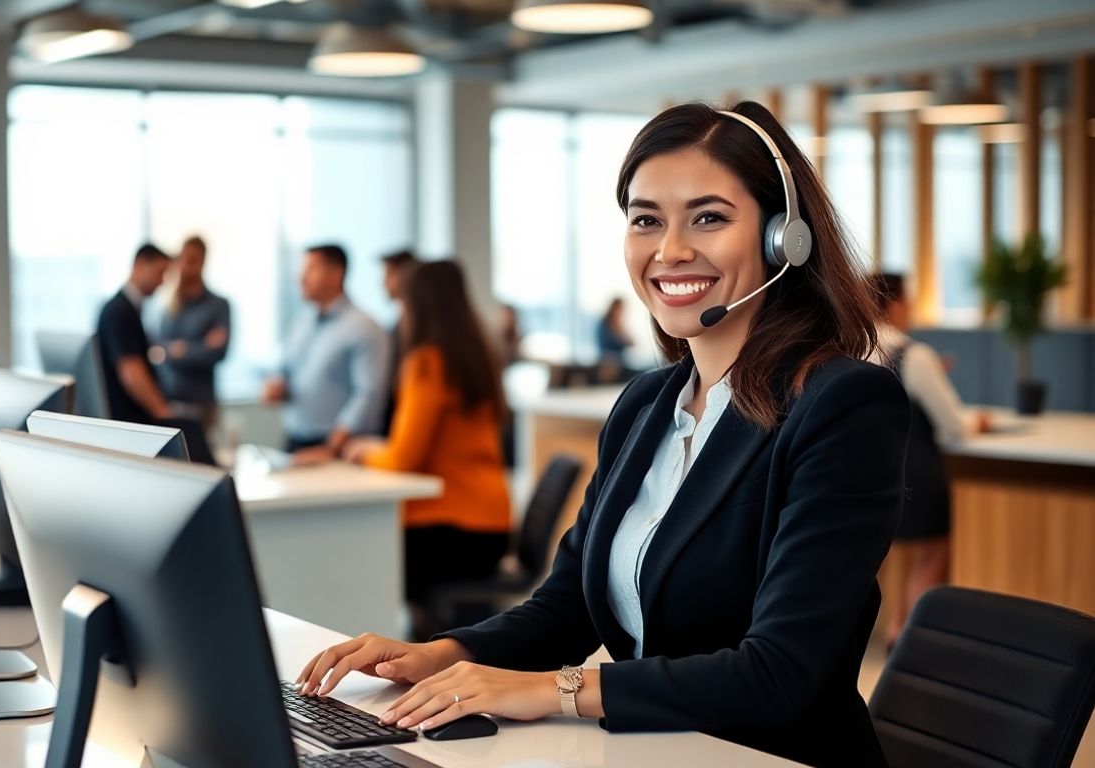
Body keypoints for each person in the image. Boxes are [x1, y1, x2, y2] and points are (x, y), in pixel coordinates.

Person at [296, 102, 909, 768]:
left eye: (709, 217)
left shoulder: (841, 404)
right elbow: (567, 609)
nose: (670, 250)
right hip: (654, 752)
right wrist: (443, 654)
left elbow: (779, 673)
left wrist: (555, 691)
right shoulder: (647, 405)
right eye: (647, 220)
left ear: (781, 237)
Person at [343, 260, 512, 614]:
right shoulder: (475, 354)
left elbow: (404, 458)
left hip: (452, 530)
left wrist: (361, 452)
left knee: (357, 550)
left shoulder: (428, 362)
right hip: (489, 525)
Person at [871, 272, 985, 652]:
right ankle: (905, 639)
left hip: (864, 475)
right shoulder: (913, 355)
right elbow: (954, 426)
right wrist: (977, 422)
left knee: (869, 555)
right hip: (915, 472)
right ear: (895, 304)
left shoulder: (844, 347)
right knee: (930, 553)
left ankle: (865, 635)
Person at [262, 244, 389, 464]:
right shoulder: (301, 321)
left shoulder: (364, 327)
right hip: (296, 439)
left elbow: (369, 394)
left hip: (338, 446)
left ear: (336, 275)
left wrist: (333, 445)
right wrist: (277, 384)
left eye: (311, 269)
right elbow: (285, 368)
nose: (301, 278)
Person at [153, 235, 231, 431]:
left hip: (201, 404)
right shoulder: (170, 307)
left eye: (193, 260)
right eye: (184, 259)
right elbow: (157, 350)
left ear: (203, 262)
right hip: (169, 400)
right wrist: (197, 347)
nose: (187, 266)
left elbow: (217, 352)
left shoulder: (217, 306)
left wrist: (181, 350)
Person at [97, 244, 175, 425]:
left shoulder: (128, 308)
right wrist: (162, 412)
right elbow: (131, 372)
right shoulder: (120, 311)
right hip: (127, 420)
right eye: (160, 272)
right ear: (140, 264)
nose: (162, 281)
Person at [379, 249, 419, 436]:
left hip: (409, 414)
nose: (383, 283)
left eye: (389, 275)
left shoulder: (419, 328)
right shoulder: (398, 324)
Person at [596, 297, 635, 363]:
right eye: (620, 309)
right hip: (608, 362)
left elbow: (632, 343)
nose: (621, 312)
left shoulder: (618, 325)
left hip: (619, 361)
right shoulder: (605, 325)